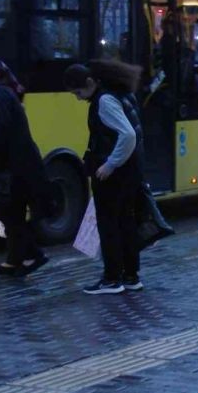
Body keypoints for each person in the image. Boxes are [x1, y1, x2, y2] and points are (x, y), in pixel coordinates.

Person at [63, 60, 145, 294]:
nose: (78, 98)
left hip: (115, 174)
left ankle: (111, 279)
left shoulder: (104, 101)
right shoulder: (122, 93)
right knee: (126, 223)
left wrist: (110, 164)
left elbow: (127, 135)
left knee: (109, 224)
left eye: (78, 92)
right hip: (131, 172)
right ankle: (131, 275)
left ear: (90, 83)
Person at [0, 59, 51, 277]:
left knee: (7, 212)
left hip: (14, 168)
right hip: (13, 166)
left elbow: (1, 124)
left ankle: (33, 254)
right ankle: (14, 260)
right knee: (10, 213)